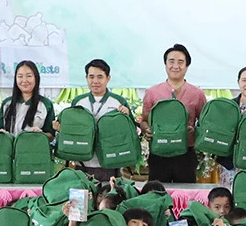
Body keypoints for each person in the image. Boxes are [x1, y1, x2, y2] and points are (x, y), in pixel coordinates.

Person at [140, 44, 208, 183]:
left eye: (180, 62)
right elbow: (144, 120)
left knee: (185, 193)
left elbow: (205, 123)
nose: (175, 66)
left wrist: (194, 131)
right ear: (165, 64)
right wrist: (146, 130)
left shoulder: (197, 94)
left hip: (186, 154)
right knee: (157, 192)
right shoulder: (152, 92)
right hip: (158, 153)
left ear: (187, 66)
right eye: (171, 61)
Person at [66, 59, 134, 181]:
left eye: (100, 77)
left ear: (108, 78)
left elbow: (131, 131)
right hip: (82, 164)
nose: (95, 81)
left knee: (110, 193)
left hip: (111, 163)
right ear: (86, 78)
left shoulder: (118, 101)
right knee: (82, 193)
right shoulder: (78, 101)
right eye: (91, 77)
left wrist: (126, 116)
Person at [0, 60, 56, 137]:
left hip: (33, 144)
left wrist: (40, 134)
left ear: (36, 78)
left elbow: (51, 135)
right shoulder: (7, 103)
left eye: (29, 76)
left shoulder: (46, 104)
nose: (24, 80)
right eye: (20, 76)